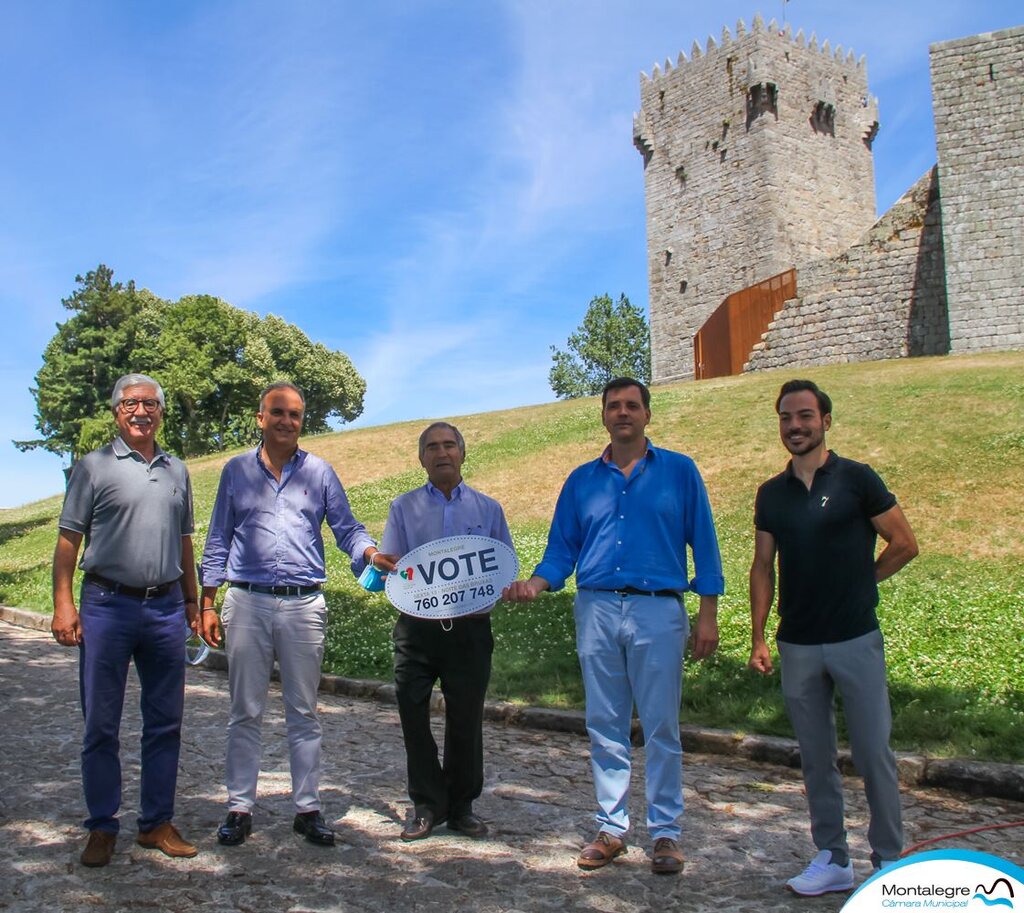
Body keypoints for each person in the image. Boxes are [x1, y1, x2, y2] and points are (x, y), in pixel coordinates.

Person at [503, 377, 723, 875]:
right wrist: (537, 584)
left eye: (631, 405)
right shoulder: (582, 480)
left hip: (658, 610)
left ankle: (666, 833)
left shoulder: (680, 473)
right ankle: (612, 828)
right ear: (603, 416)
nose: (622, 413)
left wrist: (706, 613)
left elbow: (705, 545)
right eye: (613, 406)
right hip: (597, 609)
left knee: (662, 726)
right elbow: (562, 549)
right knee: (604, 725)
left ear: (647, 414)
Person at [749, 379, 919, 896]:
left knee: (872, 754)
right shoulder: (771, 494)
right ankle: (833, 857)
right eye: (785, 417)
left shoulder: (857, 479)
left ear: (825, 420)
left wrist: (861, 581)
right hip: (797, 642)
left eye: (804, 416)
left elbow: (904, 542)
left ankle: (889, 862)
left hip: (854, 638)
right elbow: (762, 566)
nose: (795, 426)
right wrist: (758, 636)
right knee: (816, 756)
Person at [198, 381, 384, 848]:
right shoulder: (235, 471)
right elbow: (219, 538)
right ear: (260, 418)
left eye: (295, 414)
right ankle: (239, 807)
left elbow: (346, 527)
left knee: (304, 711)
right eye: (277, 412)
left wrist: (369, 553)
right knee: (245, 710)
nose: (286, 421)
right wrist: (206, 601)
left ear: (303, 422)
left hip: (304, 603)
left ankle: (308, 809)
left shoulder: (319, 472)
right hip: (247, 600)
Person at [51, 373, 200, 867]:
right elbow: (69, 540)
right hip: (106, 606)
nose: (141, 411)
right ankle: (101, 826)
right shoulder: (92, 467)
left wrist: (192, 603)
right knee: (101, 722)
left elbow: (184, 543)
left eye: (151, 403)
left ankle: (156, 823)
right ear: (117, 411)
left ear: (161, 412)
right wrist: (63, 603)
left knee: (165, 722)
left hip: (163, 610)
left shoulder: (178, 471)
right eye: (131, 403)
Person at [376, 422, 513, 842]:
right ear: (422, 458)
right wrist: (385, 566)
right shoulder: (403, 508)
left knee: (466, 720)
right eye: (432, 447)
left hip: (470, 631)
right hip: (416, 631)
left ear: (462, 453)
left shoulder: (489, 510)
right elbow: (390, 570)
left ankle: (461, 806)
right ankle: (426, 805)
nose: (441, 453)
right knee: (412, 715)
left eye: (449, 445)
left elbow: (503, 568)